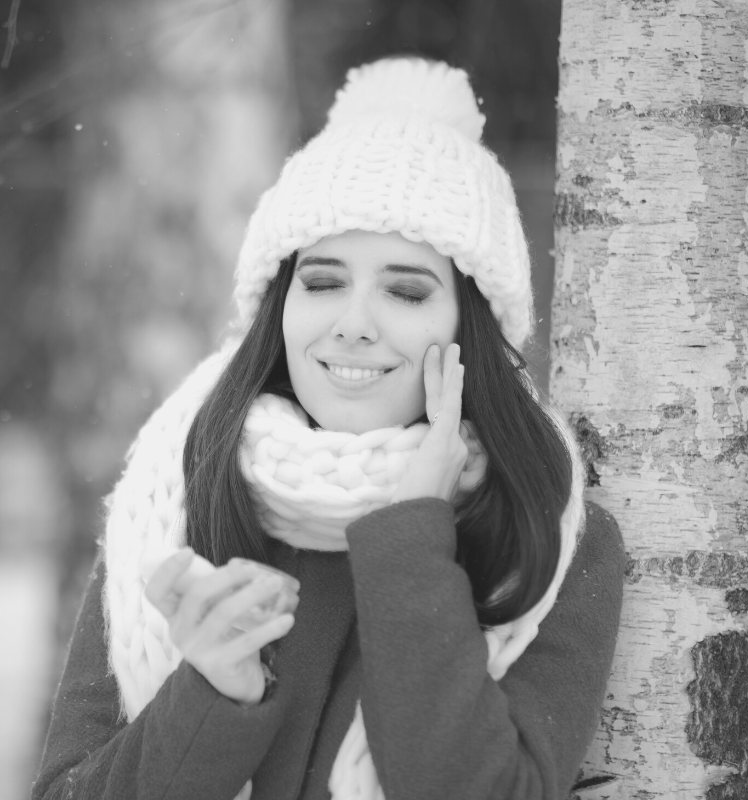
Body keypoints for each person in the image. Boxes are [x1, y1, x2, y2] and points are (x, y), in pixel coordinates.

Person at [33, 57, 625, 800]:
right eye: (322, 282)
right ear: (278, 308)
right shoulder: (177, 503)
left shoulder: (551, 535)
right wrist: (216, 694)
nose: (353, 325)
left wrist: (413, 538)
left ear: (468, 330)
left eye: (406, 292)